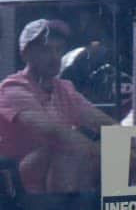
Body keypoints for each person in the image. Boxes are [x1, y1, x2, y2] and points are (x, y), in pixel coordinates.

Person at [0, 19, 116, 193]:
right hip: (14, 180)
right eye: (46, 50)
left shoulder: (63, 88)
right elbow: (53, 132)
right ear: (26, 54)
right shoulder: (12, 88)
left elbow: (101, 121)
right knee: (69, 148)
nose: (55, 57)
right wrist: (109, 155)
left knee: (86, 151)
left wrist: (131, 145)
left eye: (58, 50)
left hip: (55, 172)